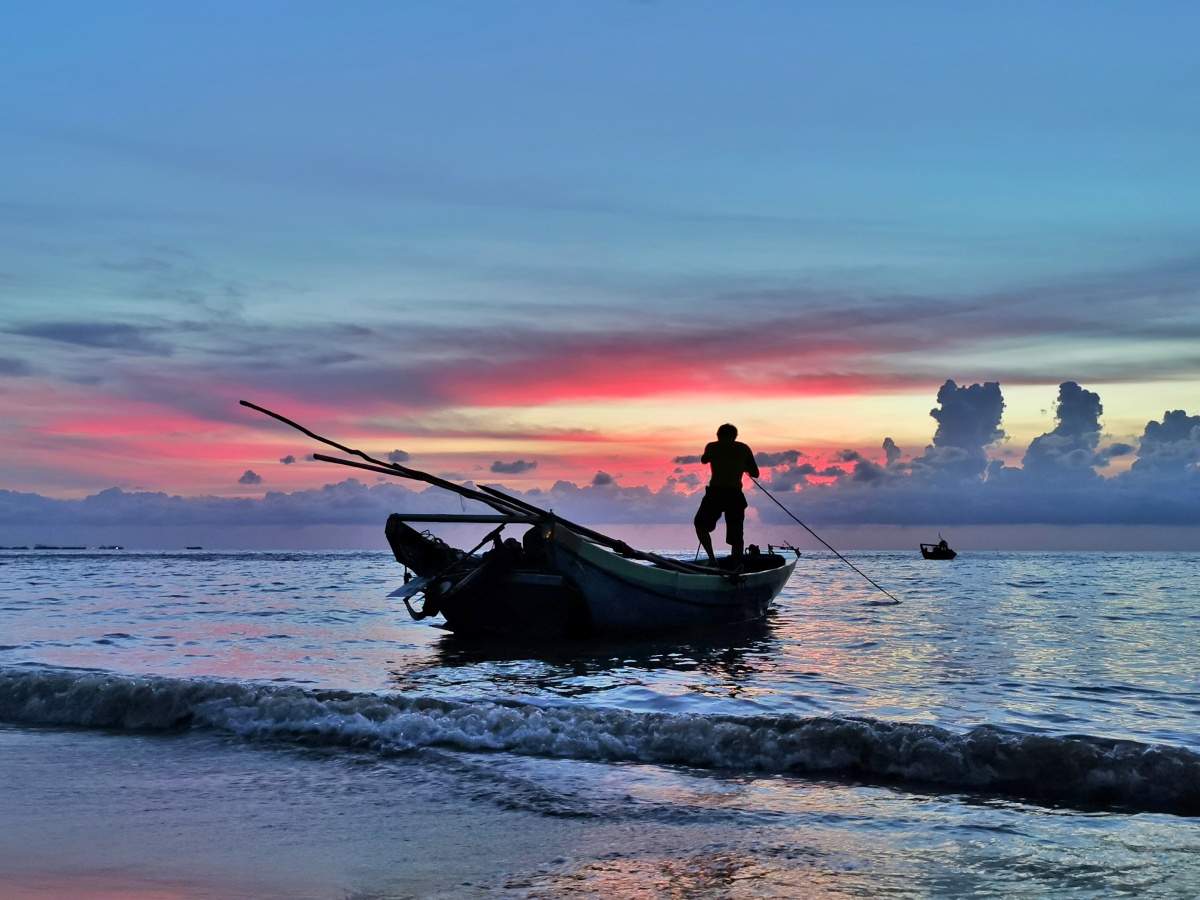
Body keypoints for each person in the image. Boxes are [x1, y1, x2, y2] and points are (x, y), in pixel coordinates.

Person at [694, 423, 759, 562]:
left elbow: (704, 460)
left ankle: (712, 560)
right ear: (735, 436)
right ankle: (736, 565)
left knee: (700, 525)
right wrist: (741, 465)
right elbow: (755, 473)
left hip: (715, 494)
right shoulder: (743, 448)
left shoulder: (712, 446)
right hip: (734, 495)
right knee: (736, 536)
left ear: (718, 435)